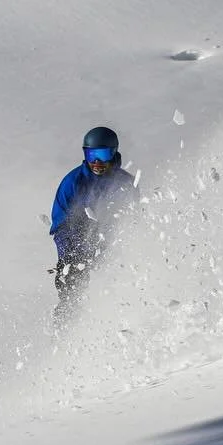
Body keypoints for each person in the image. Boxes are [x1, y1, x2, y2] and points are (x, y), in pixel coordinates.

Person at [49, 126, 136, 322]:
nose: (96, 162)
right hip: (76, 240)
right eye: (91, 154)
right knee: (72, 281)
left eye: (102, 154)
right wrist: (70, 255)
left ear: (114, 153)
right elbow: (59, 225)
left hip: (111, 240)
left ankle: (120, 318)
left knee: (119, 277)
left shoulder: (126, 183)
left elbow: (135, 217)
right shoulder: (73, 182)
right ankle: (66, 325)